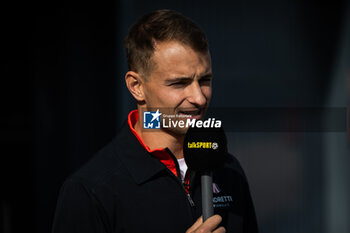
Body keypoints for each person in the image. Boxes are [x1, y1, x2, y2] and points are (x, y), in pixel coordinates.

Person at [52, 9, 258, 233]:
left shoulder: (228, 169)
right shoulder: (90, 190)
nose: (199, 98)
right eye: (179, 83)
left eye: (205, 80)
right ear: (136, 87)